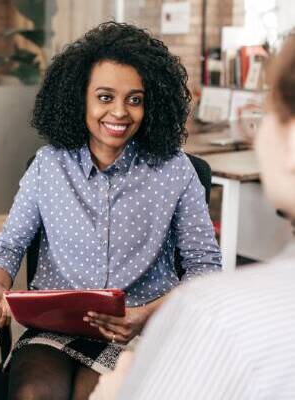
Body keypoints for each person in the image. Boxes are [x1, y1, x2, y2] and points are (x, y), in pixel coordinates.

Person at [0, 22, 221, 400]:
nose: (120, 113)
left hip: (138, 327)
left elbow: (205, 270)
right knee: (32, 395)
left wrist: (147, 315)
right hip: (54, 330)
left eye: (134, 99)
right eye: (105, 97)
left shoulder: (174, 170)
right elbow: (8, 247)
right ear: (80, 98)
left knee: (100, 395)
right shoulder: (49, 166)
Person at [112, 34, 295, 400]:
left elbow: (204, 263)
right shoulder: (49, 165)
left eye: (264, 115)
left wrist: (114, 394)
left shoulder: (213, 317)